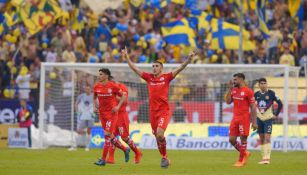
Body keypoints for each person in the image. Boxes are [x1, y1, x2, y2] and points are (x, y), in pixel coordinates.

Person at [122, 46, 197, 168]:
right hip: (152, 112)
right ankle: (165, 157)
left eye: (156, 66)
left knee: (160, 134)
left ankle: (164, 156)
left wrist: (188, 59)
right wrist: (127, 58)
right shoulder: (148, 77)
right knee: (157, 137)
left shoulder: (166, 77)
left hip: (164, 111)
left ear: (161, 68)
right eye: (153, 66)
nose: (154, 68)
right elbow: (135, 69)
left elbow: (180, 68)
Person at [93, 68, 130, 166]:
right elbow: (94, 96)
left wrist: (117, 107)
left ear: (106, 76)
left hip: (111, 114)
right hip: (102, 114)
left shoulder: (113, 86)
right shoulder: (97, 86)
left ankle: (103, 160)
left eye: (101, 74)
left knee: (107, 135)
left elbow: (123, 96)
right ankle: (125, 149)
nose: (99, 76)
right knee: (110, 136)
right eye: (99, 74)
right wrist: (94, 105)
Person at [225, 73, 257, 167]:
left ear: (241, 80)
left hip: (244, 118)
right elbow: (227, 102)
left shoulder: (248, 91)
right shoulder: (234, 90)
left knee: (243, 138)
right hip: (235, 118)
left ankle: (241, 160)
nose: (234, 81)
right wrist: (229, 89)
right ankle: (245, 153)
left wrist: (254, 122)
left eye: (235, 79)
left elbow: (253, 107)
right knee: (231, 139)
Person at [107, 82, 142, 164]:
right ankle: (111, 158)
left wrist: (113, 96)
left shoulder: (122, 87)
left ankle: (137, 153)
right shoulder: (106, 88)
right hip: (113, 115)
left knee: (125, 138)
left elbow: (125, 101)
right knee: (112, 136)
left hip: (121, 115)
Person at [254, 78, 283, 164]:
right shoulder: (256, 94)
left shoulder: (271, 93)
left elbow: (280, 104)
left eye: (264, 83)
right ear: (259, 85)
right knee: (262, 139)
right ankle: (263, 158)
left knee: (267, 138)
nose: (263, 85)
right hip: (259, 119)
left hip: (268, 119)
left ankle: (267, 158)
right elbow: (252, 105)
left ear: (267, 84)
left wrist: (276, 114)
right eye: (261, 83)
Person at [70, 85, 95, 151]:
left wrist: (95, 112)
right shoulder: (81, 96)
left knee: (89, 131)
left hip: (90, 116)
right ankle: (74, 146)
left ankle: (87, 146)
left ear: (91, 89)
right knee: (79, 130)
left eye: (88, 89)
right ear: (85, 89)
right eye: (86, 89)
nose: (87, 90)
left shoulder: (93, 96)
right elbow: (76, 104)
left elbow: (97, 104)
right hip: (83, 116)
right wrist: (77, 112)